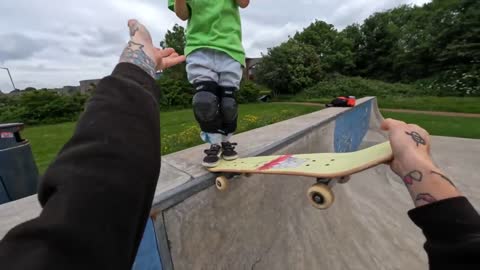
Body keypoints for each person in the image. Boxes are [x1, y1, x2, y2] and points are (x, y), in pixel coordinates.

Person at [0, 19, 478, 270]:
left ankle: (220, 140)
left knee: (223, 105)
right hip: (201, 56)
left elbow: (90, 214)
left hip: (217, 57)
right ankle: (216, 140)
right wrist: (419, 164)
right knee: (209, 104)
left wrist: (138, 57)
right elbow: (93, 209)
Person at [169, 0, 250, 167]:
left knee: (228, 104)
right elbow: (182, 14)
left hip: (230, 48)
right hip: (199, 47)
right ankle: (214, 144)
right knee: (204, 101)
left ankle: (226, 140)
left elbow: (244, 3)